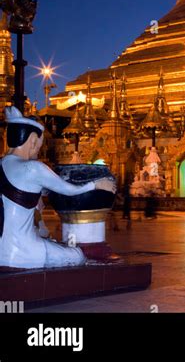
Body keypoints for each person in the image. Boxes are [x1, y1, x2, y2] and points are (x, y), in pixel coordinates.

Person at [0, 106, 116, 269]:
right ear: (33, 140)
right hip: (25, 253)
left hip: (1, 251)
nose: (37, 152)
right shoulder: (33, 167)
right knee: (76, 255)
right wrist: (97, 184)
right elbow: (70, 190)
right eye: (39, 147)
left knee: (54, 244)